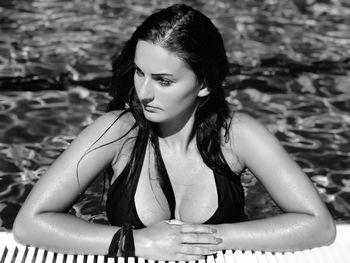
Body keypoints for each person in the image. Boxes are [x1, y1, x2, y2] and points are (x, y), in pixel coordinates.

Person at [13, 4, 336, 261]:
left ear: (204, 83)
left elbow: (318, 225)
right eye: (140, 73)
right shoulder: (117, 131)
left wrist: (208, 237)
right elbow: (30, 224)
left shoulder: (236, 134)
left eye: (163, 80)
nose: (144, 92)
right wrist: (134, 242)